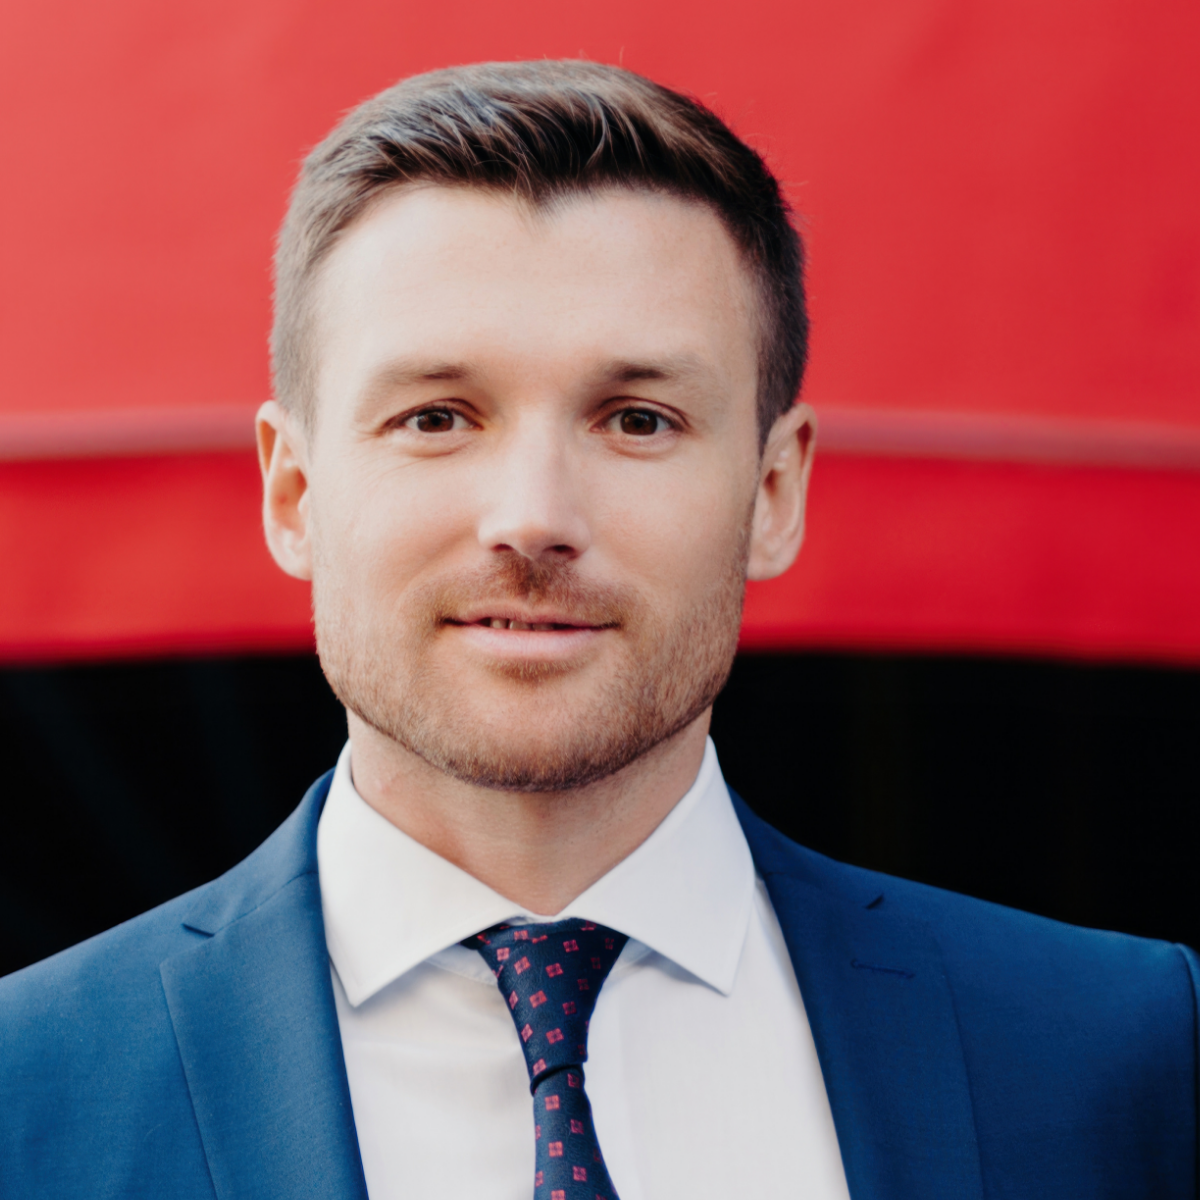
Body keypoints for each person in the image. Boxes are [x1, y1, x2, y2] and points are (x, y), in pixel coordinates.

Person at [0, 59, 1195, 1200]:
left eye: (636, 420)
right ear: (293, 494)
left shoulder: (1114, 1054)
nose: (533, 519)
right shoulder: (28, 1090)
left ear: (773, 493)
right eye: (435, 418)